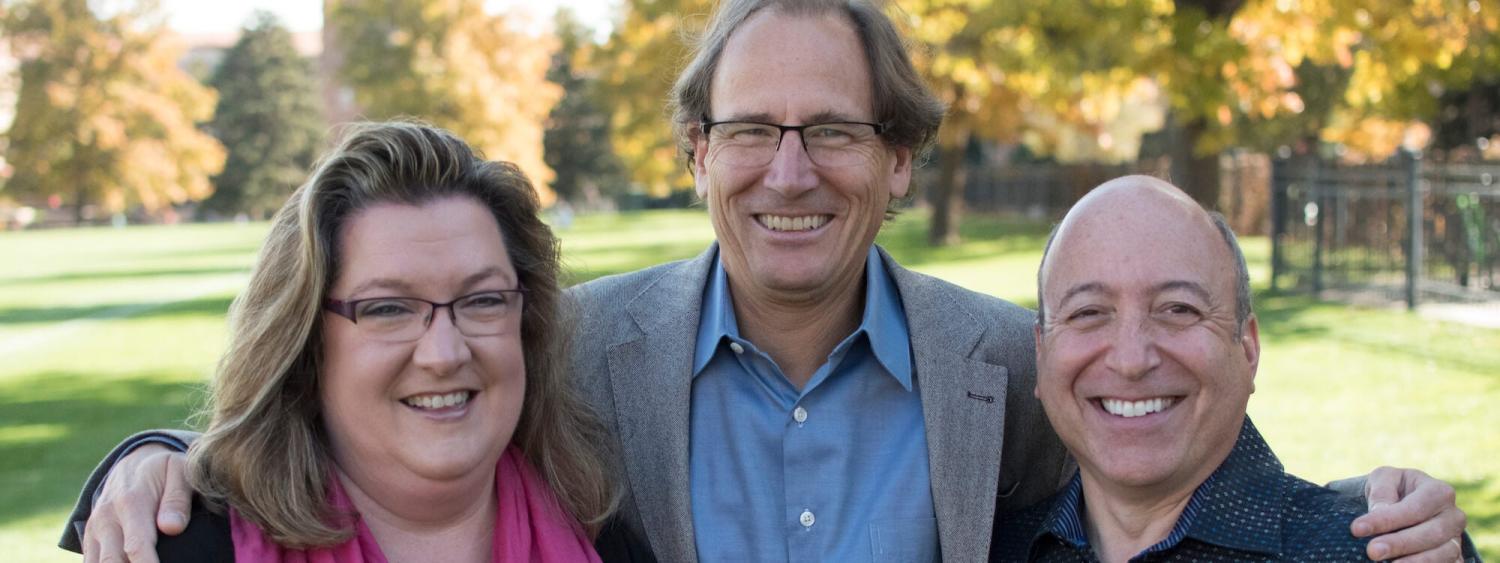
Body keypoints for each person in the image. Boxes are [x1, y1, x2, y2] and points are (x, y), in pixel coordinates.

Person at [63, 2, 1469, 562]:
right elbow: (396, 402)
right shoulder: (578, 350)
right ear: (697, 151)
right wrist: (159, 459)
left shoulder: (1006, 363)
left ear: (900, 159)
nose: (789, 171)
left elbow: (1163, 440)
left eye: (836, 131)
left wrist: (1395, 525)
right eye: (750, 130)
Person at [85, 121, 638, 561]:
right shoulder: (183, 547)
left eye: (483, 300)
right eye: (388, 309)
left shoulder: (603, 536)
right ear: (306, 346)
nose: (444, 354)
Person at [991, 176, 1479, 562]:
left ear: (1247, 348)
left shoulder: (1387, 551)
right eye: (1088, 312)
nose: (1132, 359)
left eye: (1178, 309)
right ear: (1041, 354)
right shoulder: (989, 549)